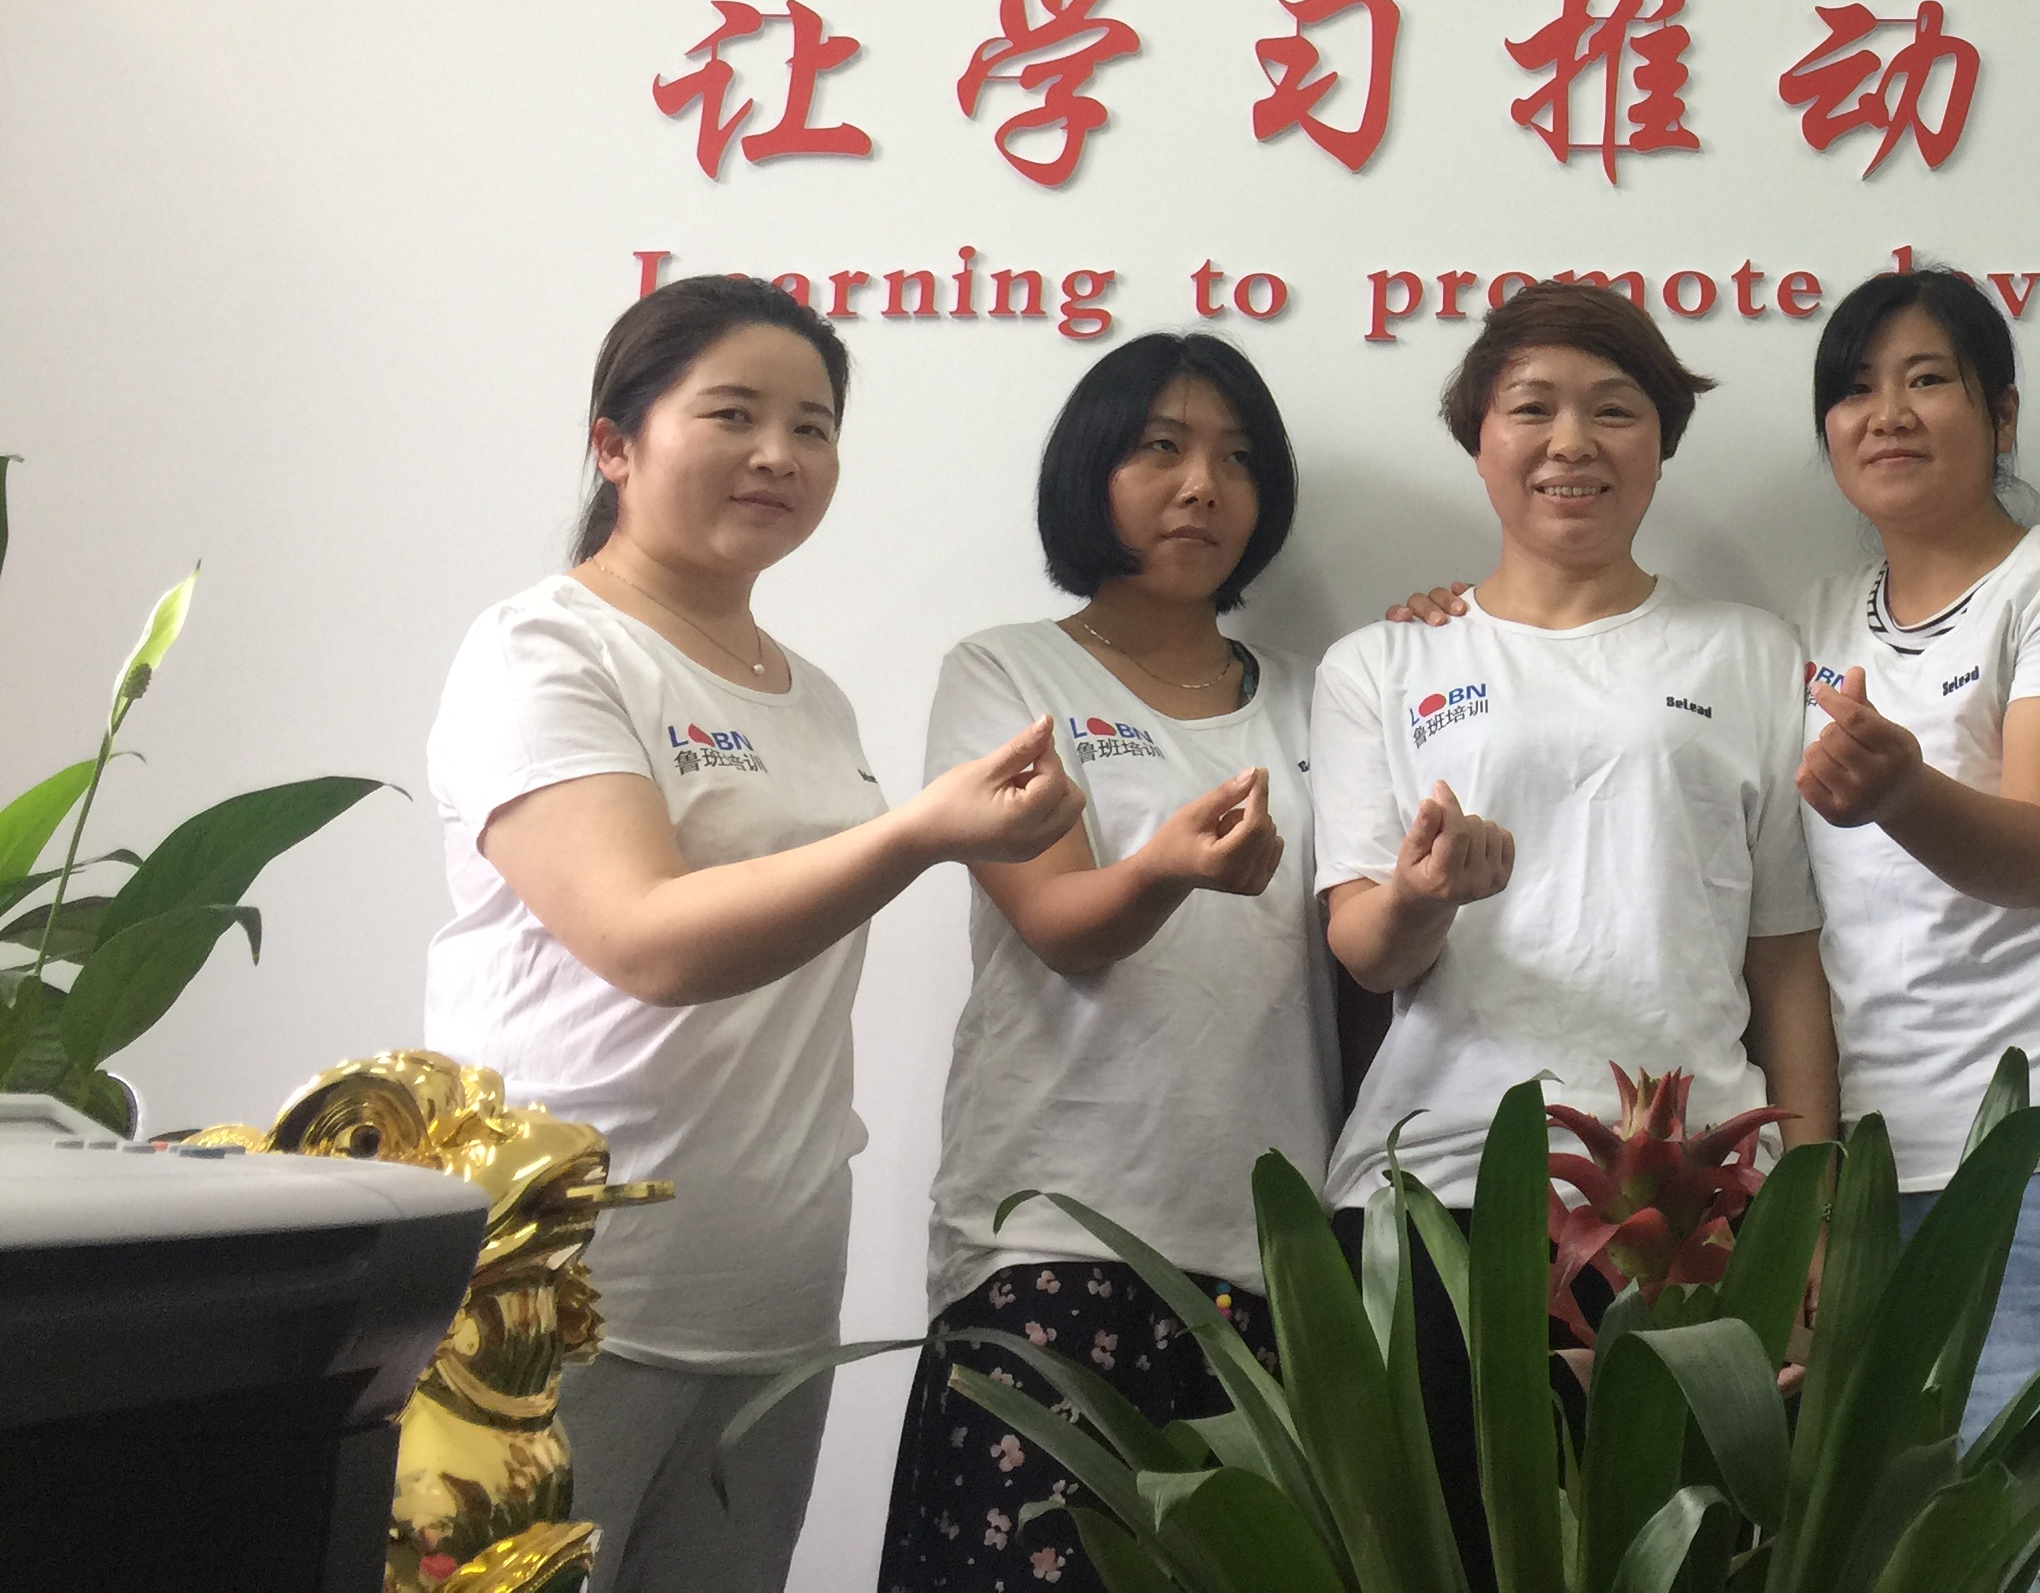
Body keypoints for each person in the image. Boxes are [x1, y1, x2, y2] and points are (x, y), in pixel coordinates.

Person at [423, 274, 1077, 1593]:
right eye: (733, 414)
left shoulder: (812, 697)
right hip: (561, 1288)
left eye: (813, 427)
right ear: (615, 444)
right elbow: (646, 939)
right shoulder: (545, 650)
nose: (780, 454)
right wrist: (921, 833)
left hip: (770, 1293)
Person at [1308, 282, 1836, 1590]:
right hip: (1439, 1192)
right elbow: (1366, 949)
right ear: (1477, 438)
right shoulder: (1381, 664)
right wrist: (1427, 891)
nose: (1571, 443)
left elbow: (1784, 959)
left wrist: (1812, 1217)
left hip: (1688, 1196)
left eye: (1615, 410)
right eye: (1531, 409)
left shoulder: (1752, 652)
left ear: (1660, 442)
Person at [878, 333, 1337, 1592]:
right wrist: (1169, 868)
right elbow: (1058, 921)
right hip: (1053, 1234)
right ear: (1092, 470)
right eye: (1160, 448)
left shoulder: (1320, 697)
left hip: (1269, 1249)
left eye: (1237, 460)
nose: (1203, 486)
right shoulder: (1009, 673)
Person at [1784, 267, 2040, 1537]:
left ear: (2001, 415)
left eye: (1927, 380)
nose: (1888, 414)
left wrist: (1902, 790)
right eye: (1856, 389)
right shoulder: (1818, 617)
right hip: (1874, 1184)